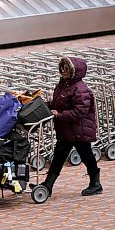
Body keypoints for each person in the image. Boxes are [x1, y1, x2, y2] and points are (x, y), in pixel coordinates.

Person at [30, 56, 103, 197]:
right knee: (58, 157)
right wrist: (44, 105)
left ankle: (96, 184)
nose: (63, 71)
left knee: (86, 156)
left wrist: (59, 115)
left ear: (74, 71)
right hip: (66, 131)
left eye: (66, 69)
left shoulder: (81, 90)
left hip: (78, 131)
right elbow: (58, 102)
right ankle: (47, 185)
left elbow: (79, 112)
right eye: (62, 68)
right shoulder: (64, 84)